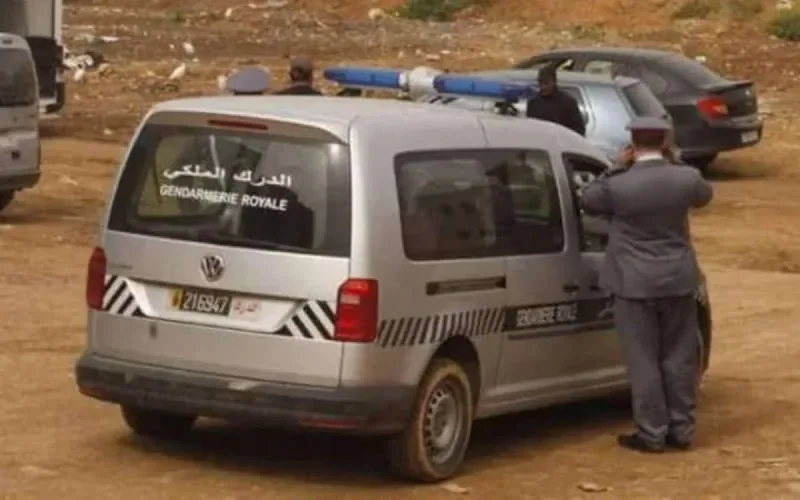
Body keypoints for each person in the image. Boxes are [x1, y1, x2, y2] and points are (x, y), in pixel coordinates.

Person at [579, 116, 713, 453]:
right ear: (665, 142)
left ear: (633, 144)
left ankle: (652, 433)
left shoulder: (619, 183)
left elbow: (588, 199)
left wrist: (614, 166)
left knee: (644, 361)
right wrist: (675, 159)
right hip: (678, 279)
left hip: (633, 282)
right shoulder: (684, 178)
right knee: (679, 358)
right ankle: (682, 430)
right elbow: (704, 194)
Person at [525, 65, 585, 136]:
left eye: (547, 83)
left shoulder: (567, 103)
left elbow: (579, 130)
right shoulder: (534, 103)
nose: (543, 87)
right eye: (541, 83)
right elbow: (530, 128)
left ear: (554, 82)